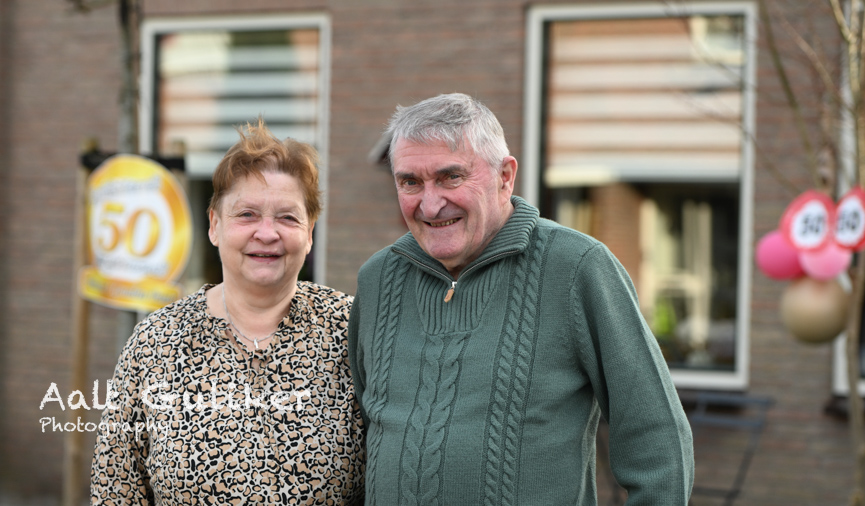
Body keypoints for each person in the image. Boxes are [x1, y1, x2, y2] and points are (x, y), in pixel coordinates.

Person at [348, 93, 694, 505]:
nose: (430, 203)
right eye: (410, 182)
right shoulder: (377, 280)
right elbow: (361, 441)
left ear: (505, 177)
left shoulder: (578, 267)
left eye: (451, 177)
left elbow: (657, 438)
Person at [90, 119, 365, 504]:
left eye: (287, 217)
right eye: (247, 214)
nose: (267, 233)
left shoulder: (353, 330)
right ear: (215, 226)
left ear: (310, 231)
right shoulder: (156, 343)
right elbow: (115, 488)